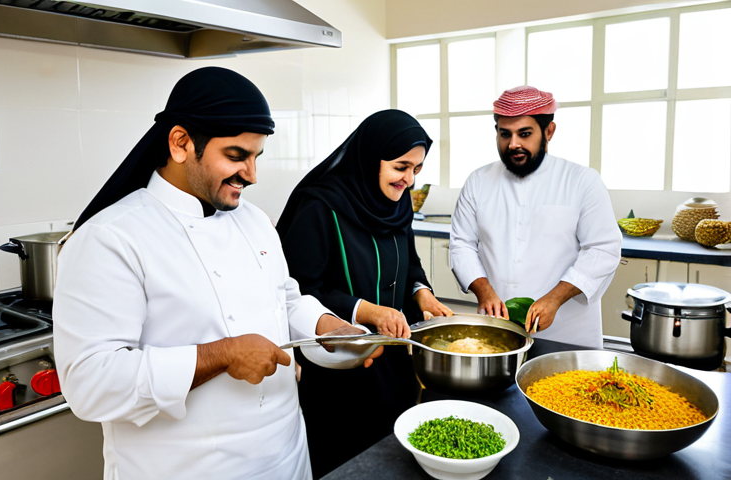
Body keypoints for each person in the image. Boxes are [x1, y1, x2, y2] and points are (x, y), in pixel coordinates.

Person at [52, 67, 371, 480]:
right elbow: (91, 384)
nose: (252, 175)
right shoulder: (110, 238)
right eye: (237, 156)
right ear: (181, 143)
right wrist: (220, 356)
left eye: (256, 157)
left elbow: (285, 298)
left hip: (287, 459)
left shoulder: (255, 221)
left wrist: (326, 325)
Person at [276, 109, 453, 478]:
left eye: (416, 169)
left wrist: (421, 293)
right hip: (339, 368)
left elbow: (411, 265)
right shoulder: (319, 208)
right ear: (373, 157)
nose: (408, 179)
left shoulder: (398, 203)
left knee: (393, 456)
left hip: (391, 363)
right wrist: (367, 311)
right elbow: (300, 291)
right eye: (401, 167)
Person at [449, 86, 621, 348]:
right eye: (505, 134)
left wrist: (554, 298)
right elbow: (461, 244)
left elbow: (603, 249)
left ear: (549, 132)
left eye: (524, 134)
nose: (513, 143)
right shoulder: (478, 182)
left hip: (567, 332)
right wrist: (484, 292)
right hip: (499, 327)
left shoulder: (582, 181)